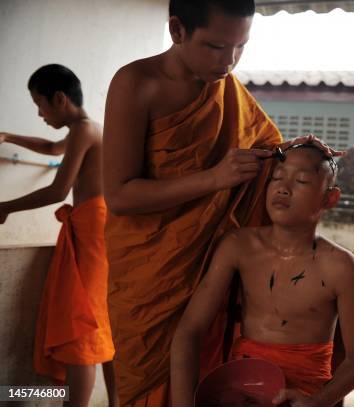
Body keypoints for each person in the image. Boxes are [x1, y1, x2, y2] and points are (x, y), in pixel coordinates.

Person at [102, 1, 339, 404]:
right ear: (177, 30)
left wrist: (295, 157)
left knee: (208, 374)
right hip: (151, 271)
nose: (229, 61)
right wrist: (214, 179)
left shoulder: (227, 89)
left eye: (240, 47)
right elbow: (120, 195)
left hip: (209, 264)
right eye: (215, 47)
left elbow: (263, 154)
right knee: (148, 383)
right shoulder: (137, 83)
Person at [171, 144, 354, 407]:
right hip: (242, 391)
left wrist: (319, 401)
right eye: (276, 177)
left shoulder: (341, 266)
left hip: (306, 394)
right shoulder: (238, 247)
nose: (283, 187)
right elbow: (189, 330)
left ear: (329, 199)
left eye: (301, 180)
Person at [0, 64, 118, 407]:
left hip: (94, 230)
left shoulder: (83, 129)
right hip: (94, 228)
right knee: (97, 322)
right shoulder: (85, 129)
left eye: (40, 104)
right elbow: (53, 149)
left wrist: (5, 206)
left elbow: (58, 191)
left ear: (60, 98)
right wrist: (9, 136)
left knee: (83, 326)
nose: (39, 113)